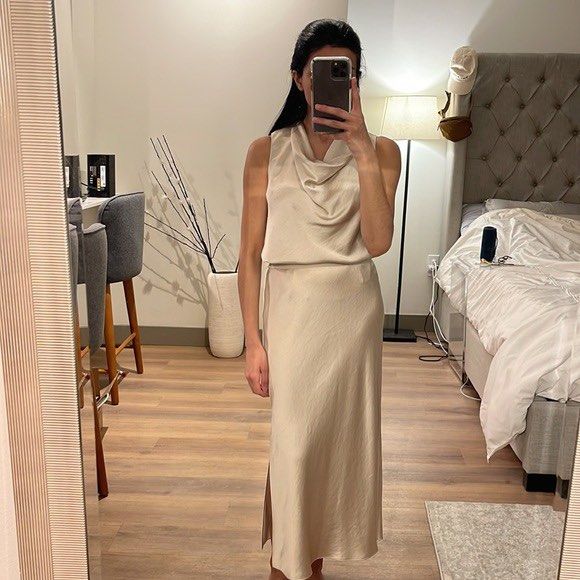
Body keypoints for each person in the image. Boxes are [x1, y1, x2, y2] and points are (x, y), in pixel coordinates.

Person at [238, 19, 401, 580]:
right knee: (296, 443)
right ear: (299, 78)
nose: (333, 81)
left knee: (334, 446)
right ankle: (289, 563)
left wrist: (361, 150)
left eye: (346, 72)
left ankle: (310, 562)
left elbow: (377, 242)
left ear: (356, 81)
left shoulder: (382, 152)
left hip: (352, 315)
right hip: (291, 313)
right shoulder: (265, 152)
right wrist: (252, 342)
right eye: (321, 71)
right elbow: (249, 255)